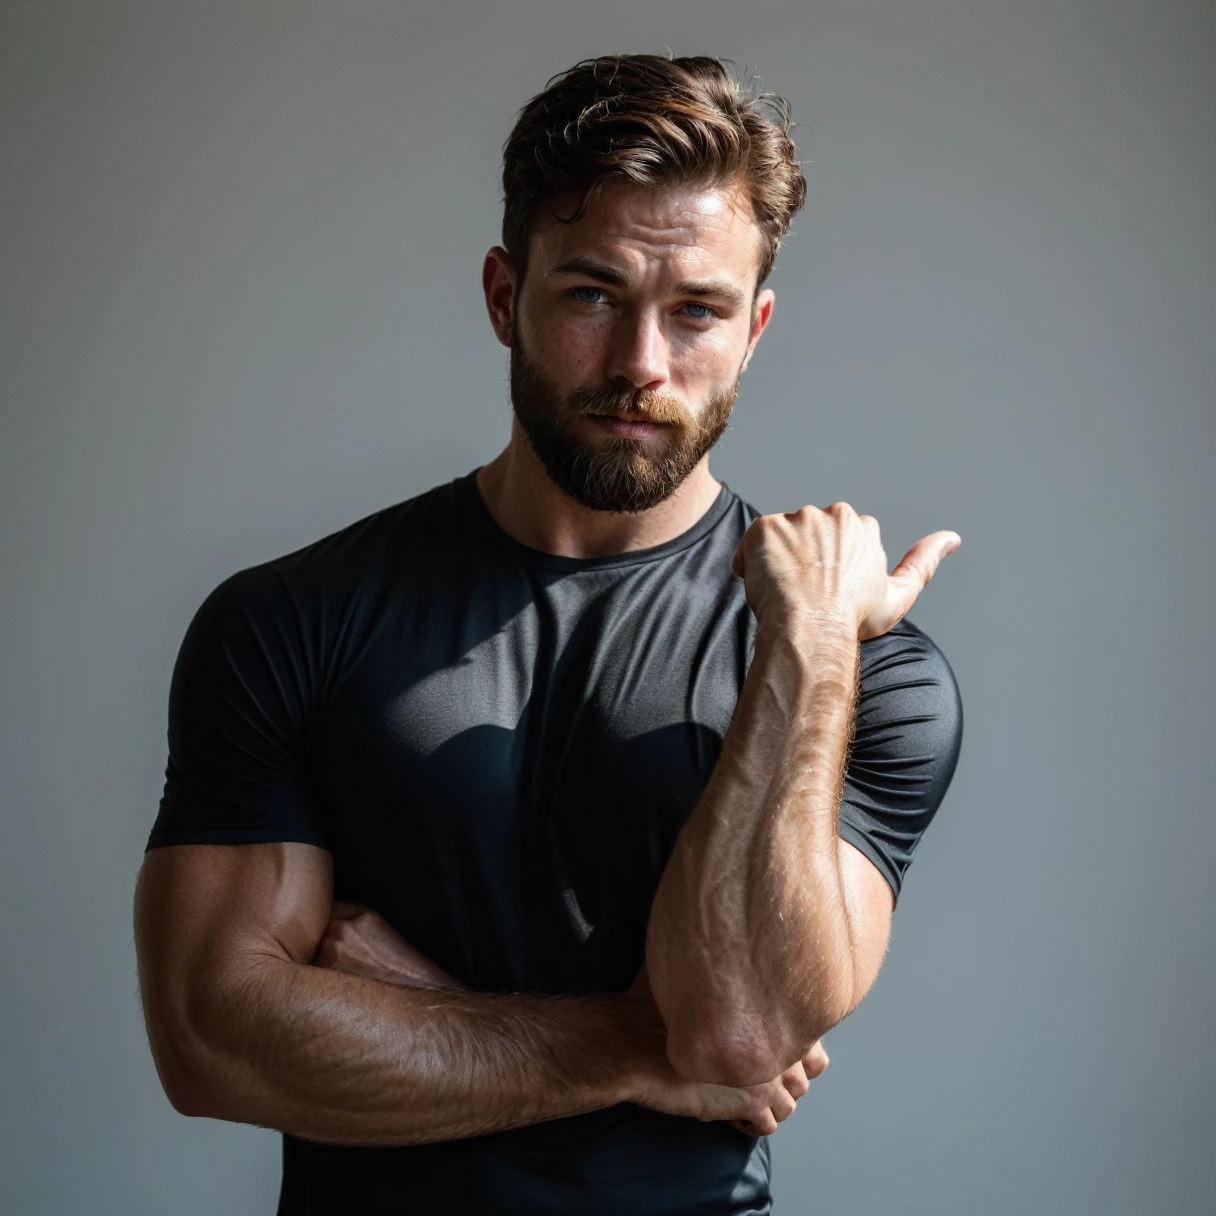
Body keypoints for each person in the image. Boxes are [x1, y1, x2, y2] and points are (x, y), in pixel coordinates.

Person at [134, 53, 963, 1216]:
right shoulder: (291, 620)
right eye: (590, 294)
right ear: (500, 296)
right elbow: (214, 1043)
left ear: (755, 329)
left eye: (697, 312)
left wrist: (808, 641)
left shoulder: (860, 671)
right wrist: (637, 1044)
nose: (640, 364)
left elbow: (737, 1026)